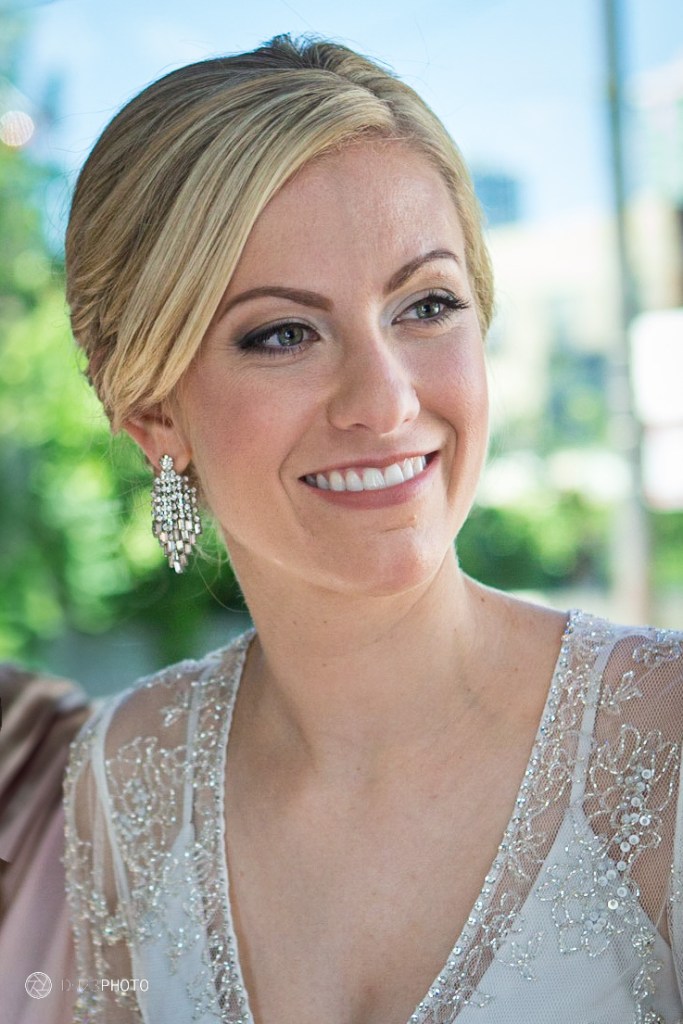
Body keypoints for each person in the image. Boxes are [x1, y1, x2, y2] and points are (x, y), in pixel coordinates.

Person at [61, 34, 683, 1024]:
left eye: (424, 304)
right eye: (280, 333)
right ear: (152, 413)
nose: (384, 403)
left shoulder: (666, 736)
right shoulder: (119, 775)